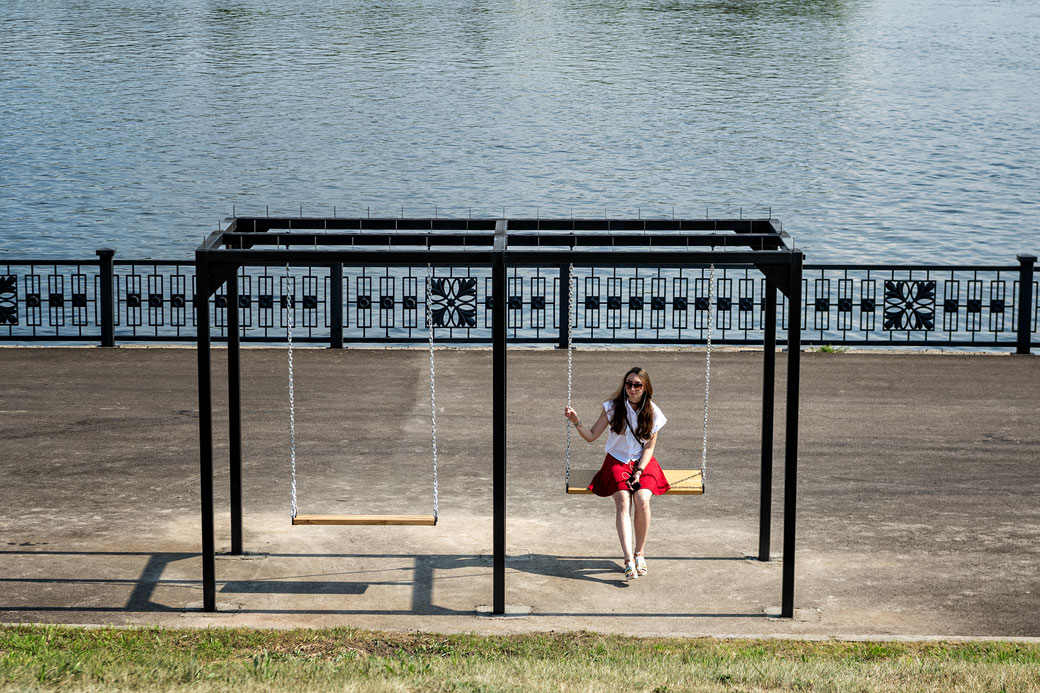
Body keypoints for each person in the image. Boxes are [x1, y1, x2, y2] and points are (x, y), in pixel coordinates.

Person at [564, 366, 670, 580]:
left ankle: (640, 552)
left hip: (643, 461)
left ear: (645, 387)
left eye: (637, 385)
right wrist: (576, 421)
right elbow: (592, 435)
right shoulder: (612, 408)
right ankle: (628, 558)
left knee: (642, 499)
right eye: (629, 384)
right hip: (617, 460)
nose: (632, 388)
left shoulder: (653, 411)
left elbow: (649, 448)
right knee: (623, 499)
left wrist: (639, 471)